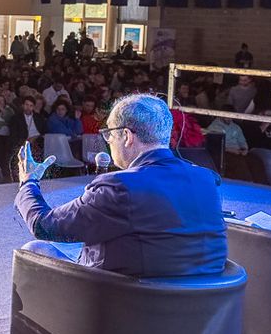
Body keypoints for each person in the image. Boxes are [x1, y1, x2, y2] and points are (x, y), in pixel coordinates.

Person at [15, 93, 227, 277]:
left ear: (126, 136)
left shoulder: (120, 187)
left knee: (36, 249)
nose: (108, 141)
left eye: (109, 133)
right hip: (200, 309)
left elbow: (44, 225)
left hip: (127, 305)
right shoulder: (207, 179)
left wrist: (28, 183)